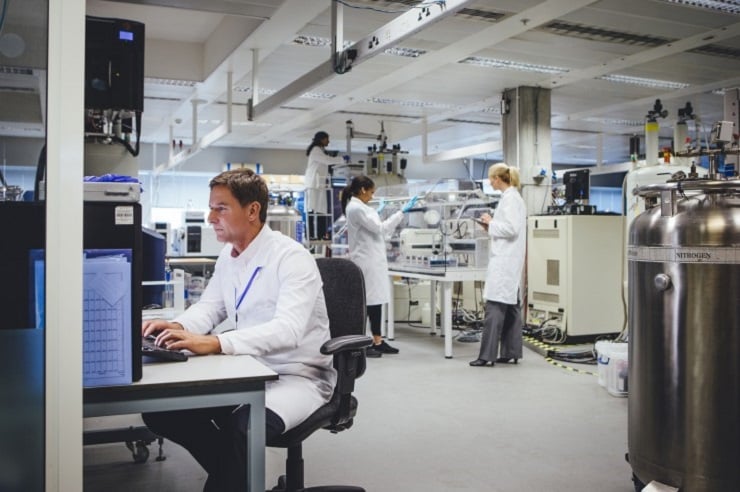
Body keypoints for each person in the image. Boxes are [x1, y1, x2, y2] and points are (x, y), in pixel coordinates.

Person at [141, 168, 336, 491]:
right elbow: (210, 306)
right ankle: (240, 479)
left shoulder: (292, 258)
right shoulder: (229, 256)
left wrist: (217, 342)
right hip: (249, 369)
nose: (210, 218)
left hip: (297, 376)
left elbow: (288, 330)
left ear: (252, 210)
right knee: (162, 411)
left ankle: (232, 480)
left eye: (221, 208)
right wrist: (178, 326)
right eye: (211, 208)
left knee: (243, 430)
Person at [341, 175, 416, 357]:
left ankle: (378, 341)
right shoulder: (356, 208)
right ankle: (362, 343)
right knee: (367, 304)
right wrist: (401, 212)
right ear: (363, 190)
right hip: (367, 262)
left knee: (376, 303)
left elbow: (377, 230)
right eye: (371, 192)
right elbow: (380, 228)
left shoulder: (361, 208)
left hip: (373, 261)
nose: (373, 196)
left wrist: (377, 211)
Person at [470, 163, 527, 367]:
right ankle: (511, 351)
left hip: (505, 261)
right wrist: (491, 225)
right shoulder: (511, 198)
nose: (489, 182)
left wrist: (490, 222)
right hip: (509, 260)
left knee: (494, 308)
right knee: (511, 307)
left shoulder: (511, 199)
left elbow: (511, 229)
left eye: (491, 178)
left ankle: (486, 356)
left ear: (497, 178)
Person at [304, 131, 346, 214]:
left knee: (317, 207)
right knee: (314, 207)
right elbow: (327, 160)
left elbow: (327, 160)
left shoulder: (320, 150)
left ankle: (318, 219)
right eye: (327, 139)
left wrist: (340, 160)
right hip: (314, 183)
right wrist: (342, 159)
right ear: (321, 139)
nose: (328, 141)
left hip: (318, 182)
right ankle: (315, 220)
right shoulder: (316, 150)